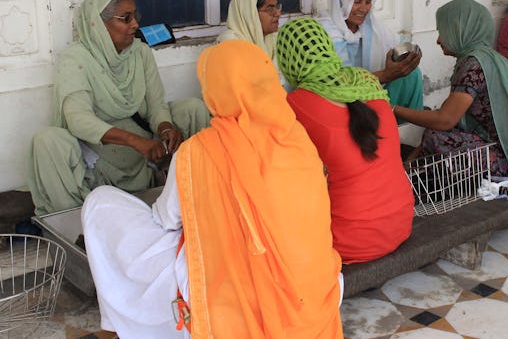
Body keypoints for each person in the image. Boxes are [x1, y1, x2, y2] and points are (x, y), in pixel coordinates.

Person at [82, 40, 344, 338]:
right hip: (310, 300)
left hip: (235, 302)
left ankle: (125, 324)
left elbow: (166, 219)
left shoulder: (198, 153)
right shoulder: (299, 141)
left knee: (100, 203)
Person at [29, 0, 210, 216]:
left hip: (147, 155)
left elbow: (156, 105)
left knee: (193, 109)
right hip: (99, 163)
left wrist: (165, 127)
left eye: (136, 16)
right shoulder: (75, 58)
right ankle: (76, 225)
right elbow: (78, 120)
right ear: (98, 24)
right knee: (47, 141)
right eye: (126, 18)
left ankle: (196, 201)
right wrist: (135, 141)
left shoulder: (140, 53)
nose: (135, 24)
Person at [393, 0, 508, 215]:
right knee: (436, 136)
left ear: (460, 30)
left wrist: (393, 109)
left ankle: (505, 183)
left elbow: (446, 120)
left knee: (436, 138)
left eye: (442, 31)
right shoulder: (488, 58)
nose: (438, 40)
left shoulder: (474, 66)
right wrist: (410, 162)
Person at [276, 18, 414, 264]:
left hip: (347, 239)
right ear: (326, 47)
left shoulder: (297, 102)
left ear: (289, 59)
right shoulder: (366, 80)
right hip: (401, 221)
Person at [317, 0, 423, 109]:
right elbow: (341, 82)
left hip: (369, 88)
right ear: (342, 1)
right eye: (357, 2)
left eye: (368, 2)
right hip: (340, 99)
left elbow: (398, 42)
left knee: (412, 74)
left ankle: (409, 124)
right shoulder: (327, 30)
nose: (363, 9)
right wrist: (385, 75)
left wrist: (412, 54)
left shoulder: (369, 25)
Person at [216, 0, 281, 59]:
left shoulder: (271, 39)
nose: (278, 13)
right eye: (270, 9)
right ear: (250, 13)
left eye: (277, 7)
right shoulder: (229, 42)